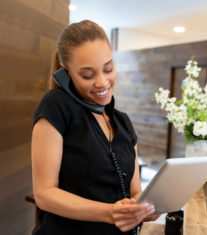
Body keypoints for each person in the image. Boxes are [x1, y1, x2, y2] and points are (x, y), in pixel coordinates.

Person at [31, 20, 159, 235]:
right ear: (66, 73)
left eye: (108, 69)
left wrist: (144, 208)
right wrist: (109, 212)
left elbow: (135, 191)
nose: (102, 82)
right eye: (87, 75)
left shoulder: (123, 122)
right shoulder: (56, 105)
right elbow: (44, 194)